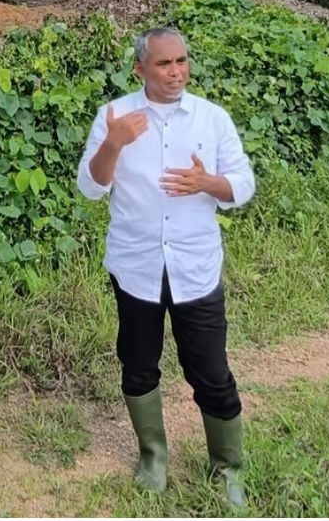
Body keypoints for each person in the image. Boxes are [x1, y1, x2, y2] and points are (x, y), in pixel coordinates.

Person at [76, 27, 255, 508]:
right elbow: (91, 189)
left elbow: (243, 185)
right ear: (140, 68)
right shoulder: (115, 116)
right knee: (138, 366)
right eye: (163, 63)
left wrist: (207, 182)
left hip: (196, 267)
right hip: (136, 267)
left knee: (211, 372)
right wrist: (113, 145)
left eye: (182, 61)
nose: (176, 72)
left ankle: (227, 468)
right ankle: (153, 458)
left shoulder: (211, 118)